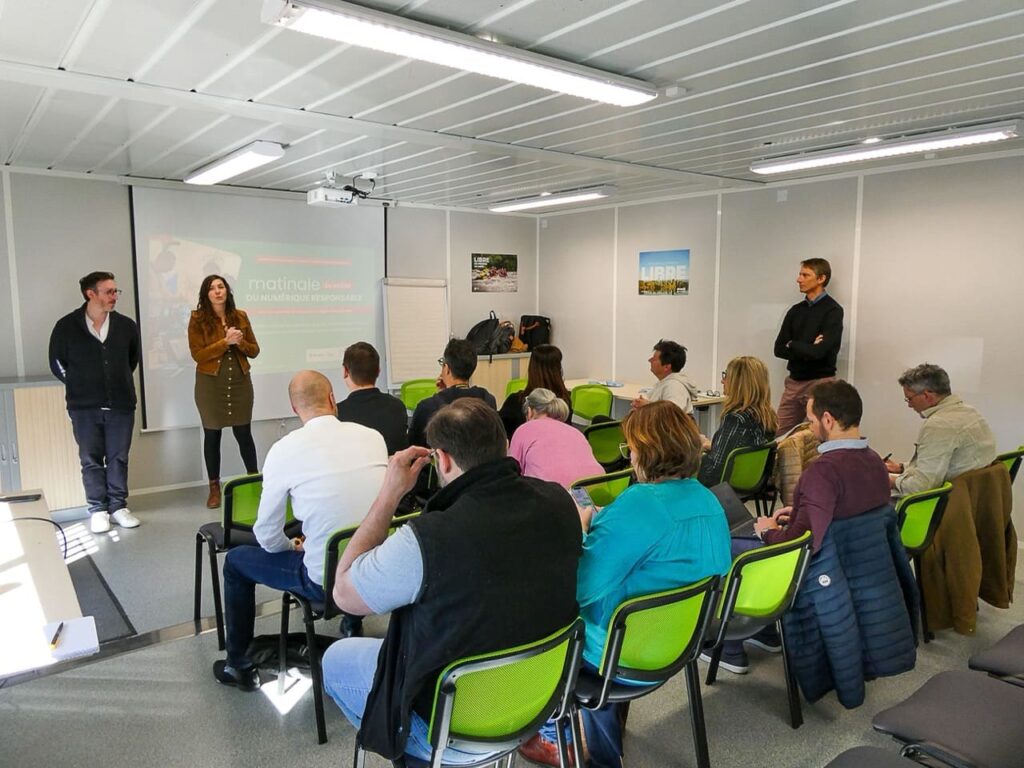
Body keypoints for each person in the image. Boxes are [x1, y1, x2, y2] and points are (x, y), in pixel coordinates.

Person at [321, 399, 581, 764]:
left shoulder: (426, 539)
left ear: (442, 460)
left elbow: (344, 594)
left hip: (453, 726)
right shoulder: (560, 501)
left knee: (334, 659)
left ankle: (417, 755)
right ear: (504, 445)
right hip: (536, 700)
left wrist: (389, 494)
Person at [520, 400, 732, 768]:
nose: (629, 455)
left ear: (648, 450)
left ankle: (559, 737)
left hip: (617, 655)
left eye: (631, 447)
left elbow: (579, 588)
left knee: (533, 611)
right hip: (679, 643)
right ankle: (597, 729)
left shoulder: (642, 505)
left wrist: (582, 529)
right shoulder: (708, 499)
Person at [212, 371, 387, 691]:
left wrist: (292, 547)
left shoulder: (284, 450)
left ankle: (238, 664)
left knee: (236, 562)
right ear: (332, 399)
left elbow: (266, 534)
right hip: (376, 574)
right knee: (351, 533)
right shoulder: (373, 437)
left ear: (294, 409)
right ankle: (351, 623)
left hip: (323, 583)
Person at [704, 380, 891, 676]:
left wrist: (767, 530)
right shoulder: (875, 462)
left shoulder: (823, 471)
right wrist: (804, 510)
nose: (810, 427)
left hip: (814, 563)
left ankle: (730, 645)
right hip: (850, 563)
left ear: (827, 420)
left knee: (726, 545)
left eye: (811, 420)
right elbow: (846, 511)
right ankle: (764, 631)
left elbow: (800, 542)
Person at [48, 271, 142, 534]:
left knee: (118, 458)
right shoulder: (66, 326)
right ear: (91, 294)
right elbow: (56, 362)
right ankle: (98, 510)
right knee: (90, 459)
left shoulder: (126, 326)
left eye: (115, 291)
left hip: (121, 405)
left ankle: (118, 507)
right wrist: (78, 383)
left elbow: (131, 360)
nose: (115, 296)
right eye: (109, 291)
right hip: (83, 407)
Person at [188, 275, 260, 509]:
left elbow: (254, 350)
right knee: (212, 435)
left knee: (244, 433)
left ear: (227, 291)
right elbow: (198, 355)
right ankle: (214, 489)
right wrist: (225, 342)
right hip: (210, 385)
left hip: (240, 382)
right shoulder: (197, 319)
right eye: (212, 288)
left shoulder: (241, 316)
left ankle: (254, 482)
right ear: (206, 294)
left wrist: (239, 343)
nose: (217, 291)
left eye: (221, 287)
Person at [885, 363, 997, 497]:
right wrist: (901, 468)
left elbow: (921, 487)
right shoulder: (970, 412)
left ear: (927, 396)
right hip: (974, 497)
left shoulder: (939, 425)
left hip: (946, 502)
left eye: (909, 398)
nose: (909, 405)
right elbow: (945, 464)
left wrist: (886, 479)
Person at [773, 258, 844, 435]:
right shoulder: (795, 311)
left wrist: (793, 344)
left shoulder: (833, 311)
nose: (799, 279)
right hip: (794, 383)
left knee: (814, 437)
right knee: (780, 434)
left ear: (821, 278)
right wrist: (807, 346)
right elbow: (779, 349)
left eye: (805, 275)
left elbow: (820, 352)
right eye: (800, 274)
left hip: (820, 383)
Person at [697, 356, 778, 487]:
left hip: (722, 489)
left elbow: (715, 472)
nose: (722, 381)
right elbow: (739, 452)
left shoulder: (736, 419)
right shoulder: (767, 416)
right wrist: (712, 446)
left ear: (738, 383)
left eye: (726, 376)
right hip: (753, 485)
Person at [408, 338, 496, 449]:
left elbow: (414, 447)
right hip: (481, 459)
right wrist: (444, 392)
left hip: (442, 460)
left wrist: (442, 394)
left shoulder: (427, 407)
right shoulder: (488, 400)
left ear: (447, 369)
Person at [508, 388, 602, 487]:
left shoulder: (524, 429)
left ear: (529, 411)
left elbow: (511, 471)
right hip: (598, 488)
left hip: (550, 492)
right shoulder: (576, 432)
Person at [336, 341, 408, 455]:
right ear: (378, 371)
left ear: (345, 371)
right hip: (390, 466)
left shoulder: (337, 413)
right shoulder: (397, 406)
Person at [498, 343, 572, 437]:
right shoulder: (565, 401)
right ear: (558, 369)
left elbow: (498, 431)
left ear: (532, 369)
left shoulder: (516, 402)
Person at [630, 339, 699, 415]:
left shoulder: (674, 386)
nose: (649, 360)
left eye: (654, 359)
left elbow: (673, 412)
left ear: (666, 367)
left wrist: (647, 406)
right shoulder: (664, 382)